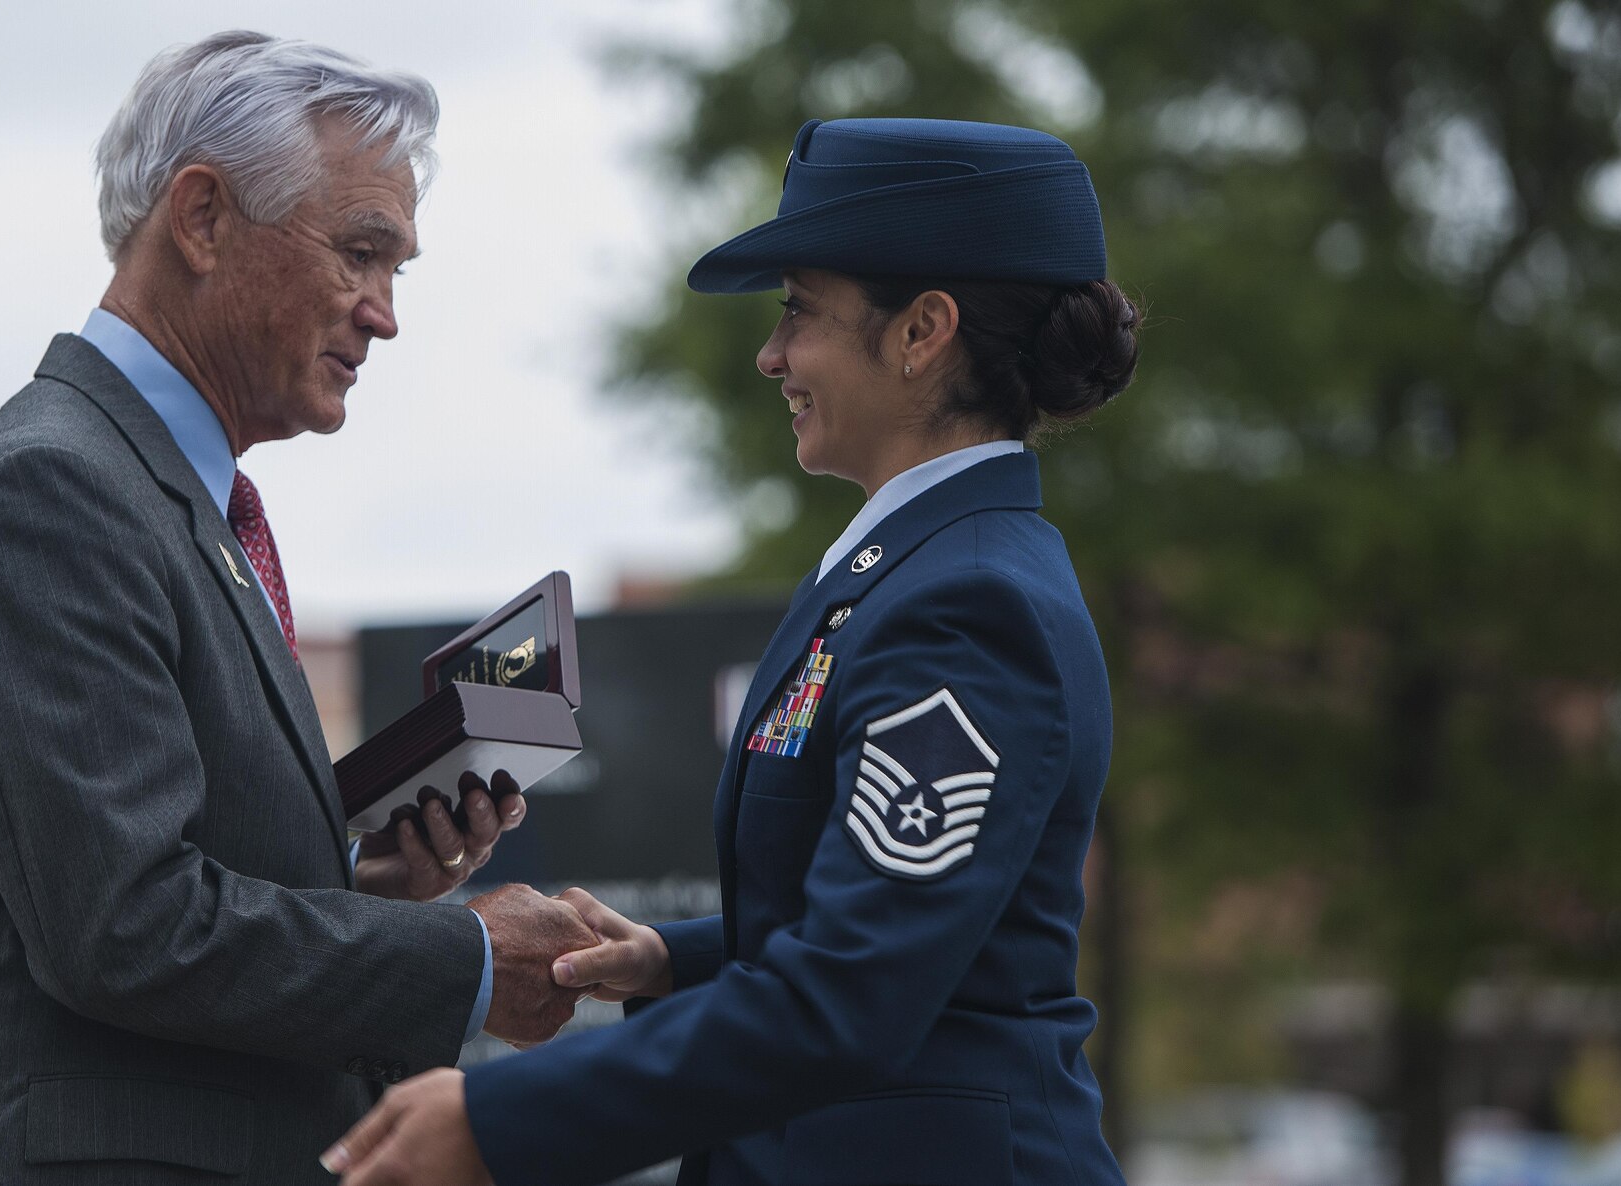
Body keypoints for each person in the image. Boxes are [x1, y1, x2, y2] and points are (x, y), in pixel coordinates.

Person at [322, 117, 1142, 1186]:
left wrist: (501, 1118)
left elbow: (854, 993)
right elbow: (891, 918)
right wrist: (668, 957)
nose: (770, 354)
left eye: (799, 310)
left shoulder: (965, 602)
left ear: (921, 330)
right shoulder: (905, 571)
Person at [0, 32, 595, 1186]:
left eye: (398, 267)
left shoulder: (153, 495)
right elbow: (125, 928)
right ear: (202, 218)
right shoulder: (49, 492)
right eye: (362, 253)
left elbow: (130, 886)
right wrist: (459, 956)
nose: (385, 313)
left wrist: (366, 888)